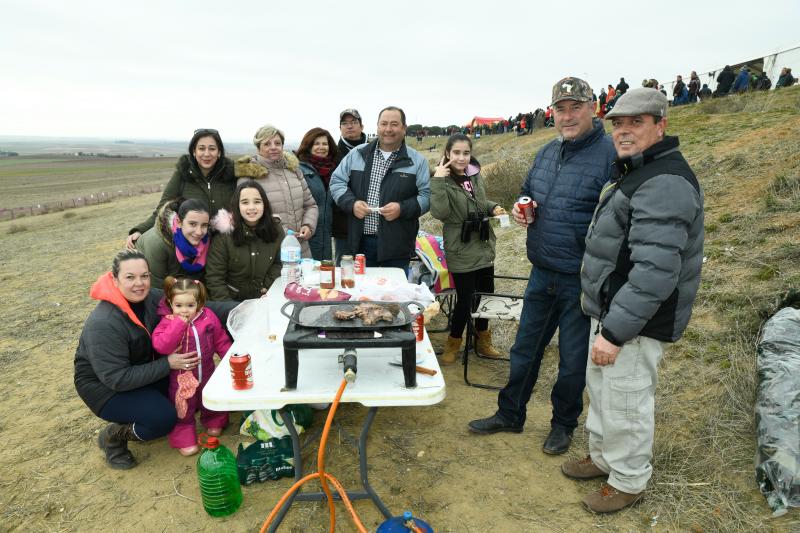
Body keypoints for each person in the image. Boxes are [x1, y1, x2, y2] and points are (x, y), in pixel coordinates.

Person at [562, 88, 704, 513]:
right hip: (612, 311)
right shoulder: (639, 170)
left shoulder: (665, 181)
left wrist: (616, 331)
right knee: (603, 392)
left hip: (636, 322)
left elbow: (655, 272)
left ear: (661, 125)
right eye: (618, 123)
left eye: (636, 122)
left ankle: (628, 479)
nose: (623, 131)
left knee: (626, 399)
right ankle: (605, 458)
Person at [468, 77, 616, 455]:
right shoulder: (548, 151)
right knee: (524, 349)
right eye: (560, 109)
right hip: (542, 271)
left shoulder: (612, 155)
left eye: (575, 107)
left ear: (593, 107)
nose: (567, 116)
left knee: (571, 362)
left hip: (582, 279)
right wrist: (522, 205)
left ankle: (562, 425)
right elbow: (529, 189)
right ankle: (510, 413)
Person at [74, 250, 200, 469]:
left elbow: (193, 306)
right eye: (130, 277)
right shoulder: (103, 322)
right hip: (105, 388)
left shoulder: (152, 298)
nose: (139, 283)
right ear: (115, 279)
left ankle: (143, 410)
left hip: (142, 369)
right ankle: (114, 436)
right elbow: (117, 379)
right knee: (163, 418)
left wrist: (239, 307)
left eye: (145, 276)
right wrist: (167, 363)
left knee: (187, 390)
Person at [429, 133, 507, 364]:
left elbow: (480, 203)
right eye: (456, 153)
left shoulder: (474, 174)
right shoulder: (442, 179)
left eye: (465, 153)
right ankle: (453, 343)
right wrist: (438, 180)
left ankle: (483, 341)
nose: (461, 158)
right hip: (461, 247)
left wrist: (493, 208)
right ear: (447, 154)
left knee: (485, 297)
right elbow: (440, 213)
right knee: (464, 300)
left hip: (483, 245)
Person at [329, 106, 431, 270]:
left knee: (396, 295)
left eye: (394, 124)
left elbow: (427, 196)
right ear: (377, 127)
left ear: (404, 128)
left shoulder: (417, 161)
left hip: (398, 245)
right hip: (360, 244)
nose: (388, 129)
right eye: (383, 124)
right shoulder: (357, 154)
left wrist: (401, 208)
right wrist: (352, 204)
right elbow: (336, 182)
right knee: (363, 295)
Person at [152, 277, 232, 456]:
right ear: (170, 303)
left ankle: (214, 420)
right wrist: (178, 324)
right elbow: (162, 345)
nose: (184, 310)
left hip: (207, 369)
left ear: (199, 303)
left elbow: (220, 339)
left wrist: (228, 358)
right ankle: (184, 436)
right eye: (178, 305)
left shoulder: (207, 316)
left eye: (190, 305)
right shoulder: (167, 322)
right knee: (184, 407)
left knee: (209, 396)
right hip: (182, 377)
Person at [126, 129, 235, 249]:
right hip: (191, 247)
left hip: (225, 245)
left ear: (219, 152)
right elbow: (163, 208)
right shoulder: (182, 175)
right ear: (194, 151)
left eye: (212, 149)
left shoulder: (232, 175)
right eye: (201, 148)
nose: (207, 154)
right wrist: (140, 230)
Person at [235, 125, 318, 258]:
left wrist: (308, 225)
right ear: (258, 147)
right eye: (267, 143)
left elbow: (310, 205)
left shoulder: (294, 170)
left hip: (301, 248)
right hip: (269, 249)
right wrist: (282, 232)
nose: (273, 147)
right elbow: (247, 214)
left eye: (277, 143)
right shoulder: (249, 175)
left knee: (302, 279)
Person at [205, 180, 284, 301]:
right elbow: (215, 278)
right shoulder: (224, 235)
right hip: (232, 302)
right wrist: (230, 309)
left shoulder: (276, 230)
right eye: (245, 202)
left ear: (264, 204)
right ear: (237, 205)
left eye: (257, 202)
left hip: (265, 299)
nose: (251, 207)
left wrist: (267, 285)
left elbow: (279, 262)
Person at [135, 198, 210, 289]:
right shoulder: (157, 244)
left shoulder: (205, 240)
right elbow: (155, 288)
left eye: (204, 225)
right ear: (179, 222)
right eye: (192, 224)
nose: (199, 232)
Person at [296, 128, 338, 261]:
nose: (321, 147)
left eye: (325, 144)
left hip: (325, 236)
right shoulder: (298, 170)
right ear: (308, 146)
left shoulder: (335, 170)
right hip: (305, 234)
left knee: (324, 275)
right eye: (316, 144)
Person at [334, 109, 367, 264]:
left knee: (368, 268)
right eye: (345, 123)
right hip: (344, 224)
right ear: (340, 128)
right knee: (344, 268)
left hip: (372, 222)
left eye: (354, 122)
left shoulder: (376, 149)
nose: (349, 126)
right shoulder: (333, 153)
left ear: (362, 126)